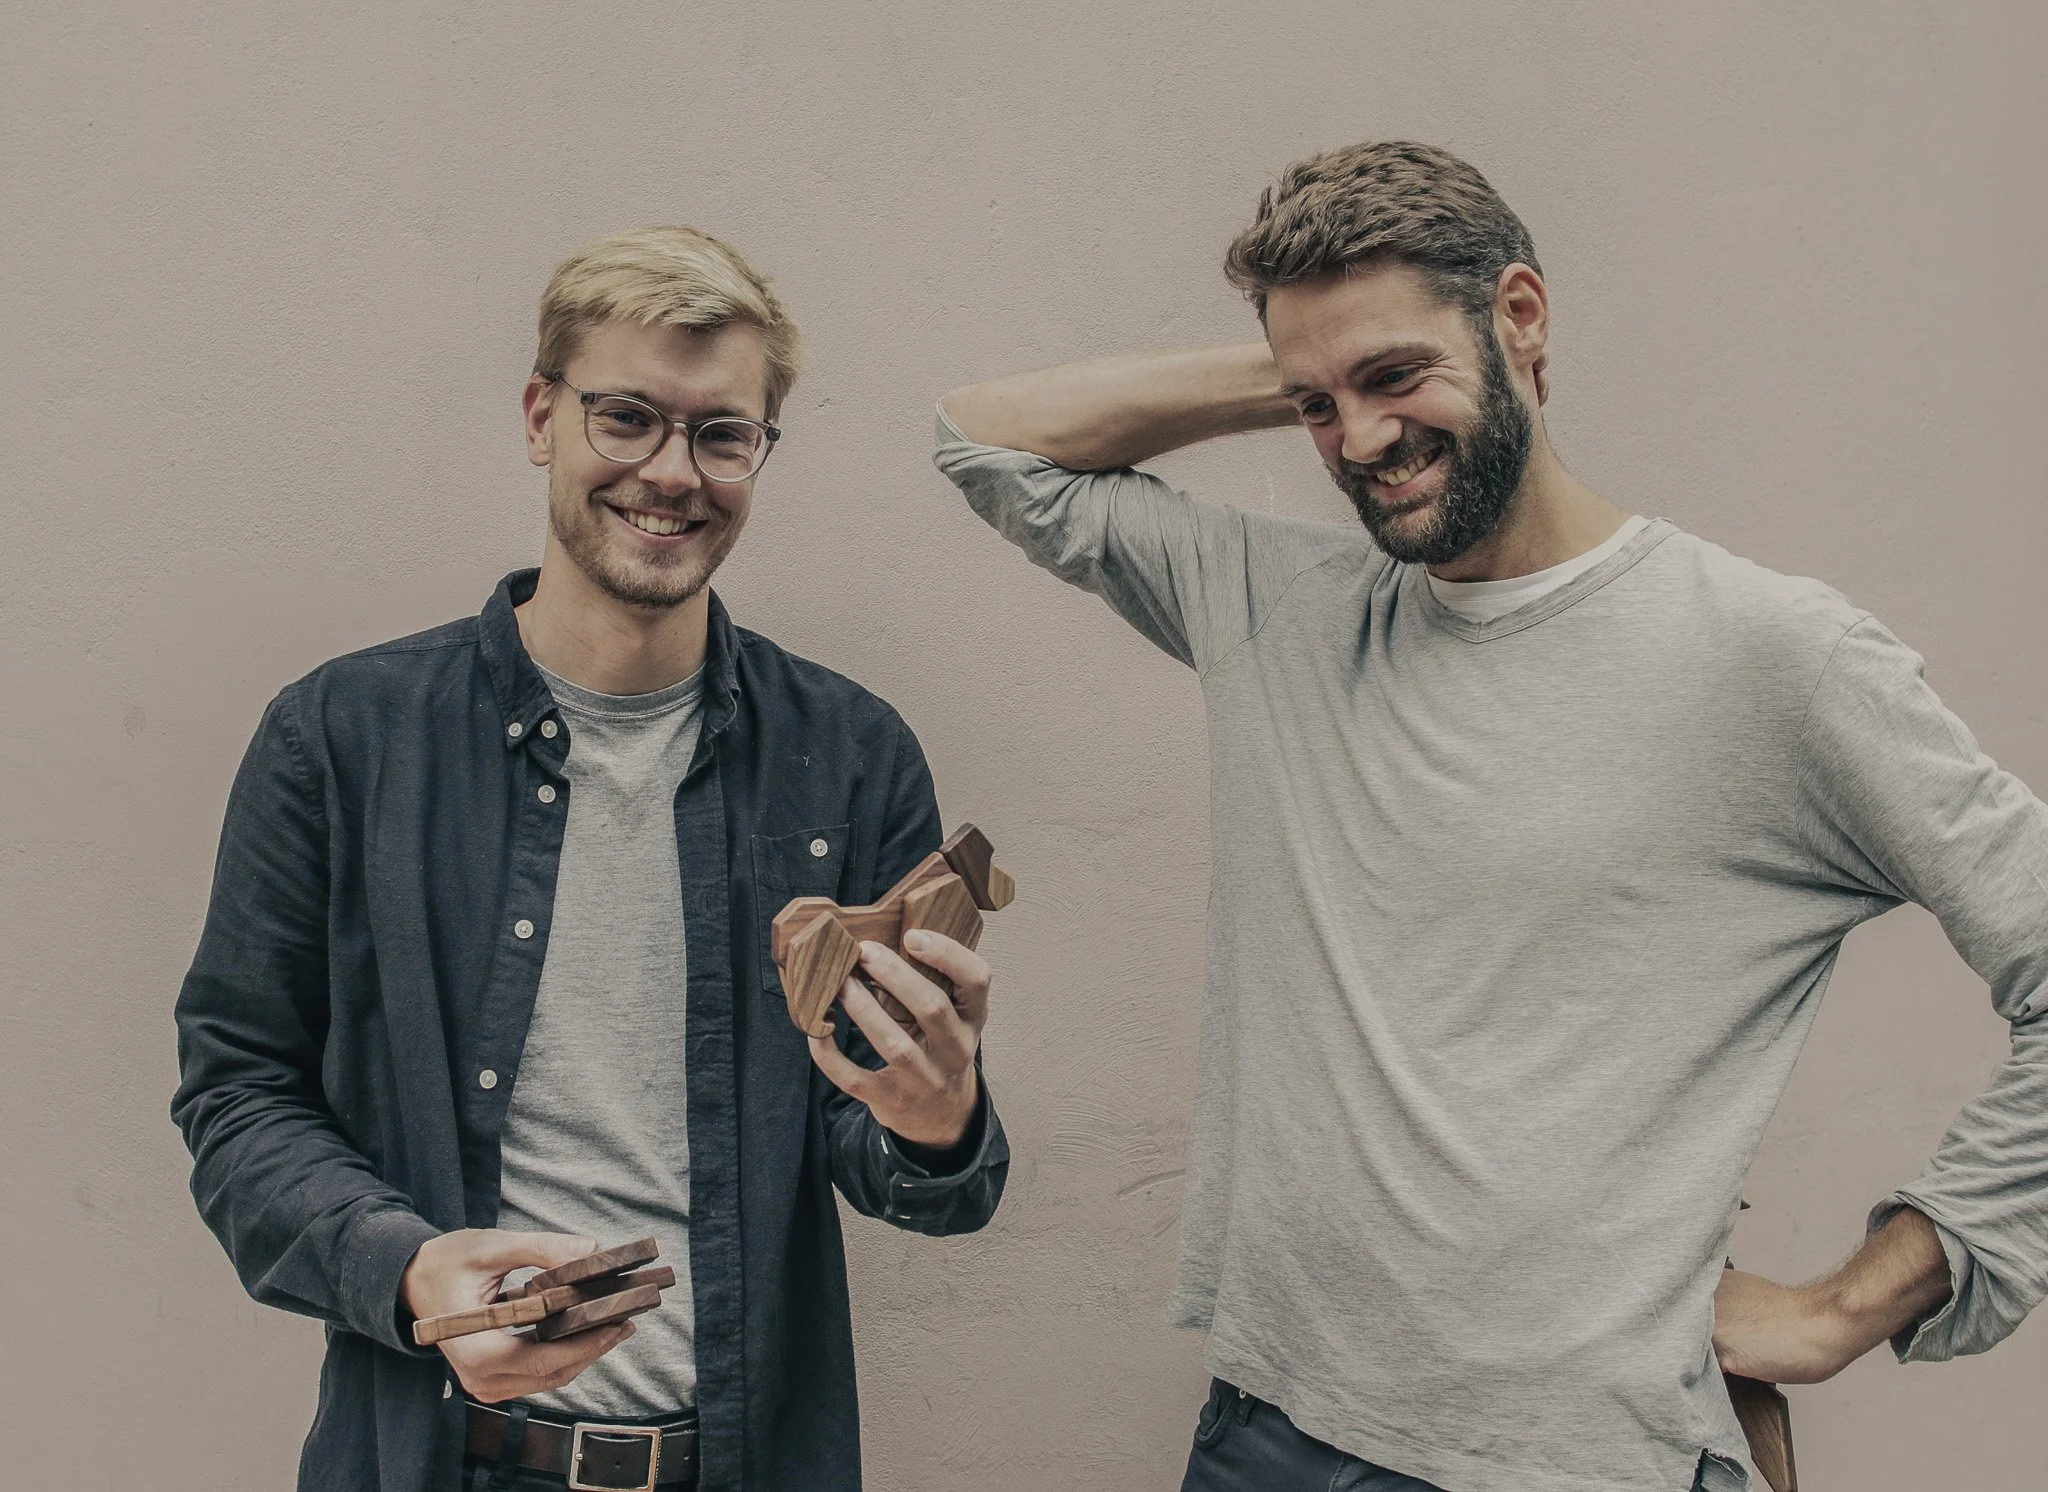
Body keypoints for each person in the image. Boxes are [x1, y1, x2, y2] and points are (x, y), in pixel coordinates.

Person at [935, 142, 2047, 1492]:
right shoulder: (1278, 610)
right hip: (1270, 1433)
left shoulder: (1772, 657)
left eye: (1399, 377)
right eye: (1320, 408)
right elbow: (983, 439)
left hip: (1580, 1461)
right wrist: (1310, 365)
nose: (1361, 441)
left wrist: (1845, 1309)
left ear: (1521, 319)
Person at [174, 226, 1009, 1492]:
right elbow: (236, 1095)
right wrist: (409, 1269)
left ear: (758, 452)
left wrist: (934, 1122)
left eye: (721, 435)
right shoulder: (339, 739)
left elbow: (907, 1168)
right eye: (626, 418)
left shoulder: (849, 752)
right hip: (438, 1458)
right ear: (539, 416)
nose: (672, 473)